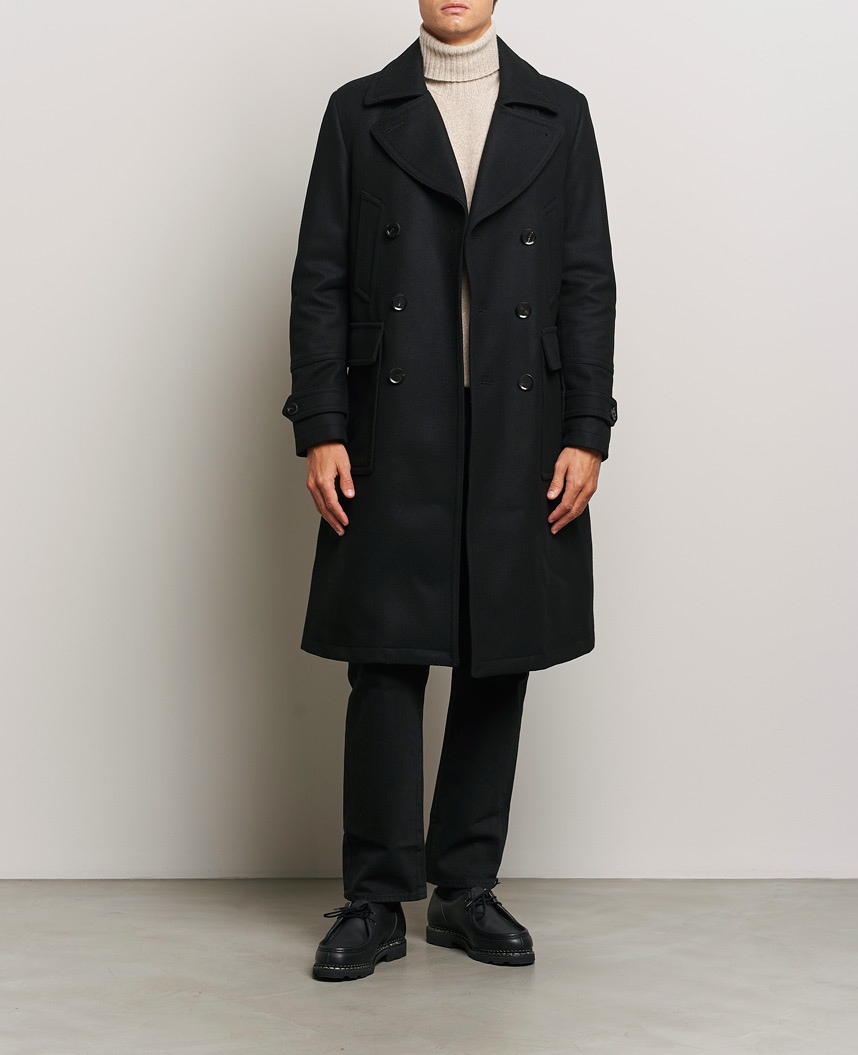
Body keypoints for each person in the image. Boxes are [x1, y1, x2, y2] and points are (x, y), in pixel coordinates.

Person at [282, 0, 617, 981]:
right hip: (393, 418)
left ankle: (466, 888)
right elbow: (320, 278)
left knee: (497, 651)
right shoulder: (358, 112)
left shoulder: (558, 114)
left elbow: (586, 280)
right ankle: (377, 899)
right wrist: (322, 424)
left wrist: (587, 428)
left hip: (520, 418)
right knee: (385, 657)